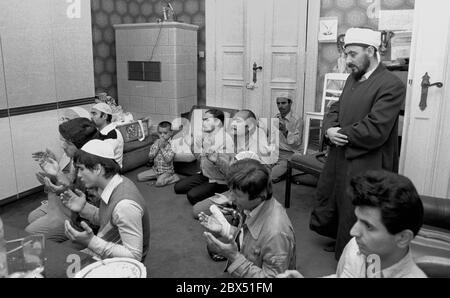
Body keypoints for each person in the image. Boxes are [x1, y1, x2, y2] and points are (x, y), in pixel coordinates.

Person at [309, 27, 406, 259]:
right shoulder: (352, 80)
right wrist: (329, 130)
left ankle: (353, 255)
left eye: (352, 54)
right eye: (346, 54)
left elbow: (376, 127)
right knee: (338, 198)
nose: (347, 60)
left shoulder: (391, 84)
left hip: (368, 158)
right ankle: (342, 242)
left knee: (358, 206)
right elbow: (335, 108)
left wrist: (340, 134)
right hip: (341, 152)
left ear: (370, 51)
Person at [279, 170, 426, 278]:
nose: (353, 232)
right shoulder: (356, 247)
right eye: (357, 219)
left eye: (369, 226)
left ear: (403, 238)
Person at [200, 159, 296, 278]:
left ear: (258, 197)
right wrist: (225, 230)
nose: (230, 198)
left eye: (237, 195)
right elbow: (251, 239)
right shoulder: (253, 206)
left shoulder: (276, 234)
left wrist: (234, 257)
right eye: (230, 190)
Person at [60, 139, 150, 261]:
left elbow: (134, 256)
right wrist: (85, 208)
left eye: (81, 169)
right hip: (107, 251)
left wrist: (90, 241)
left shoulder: (125, 205)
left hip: (119, 266)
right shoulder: (115, 182)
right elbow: (110, 220)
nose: (79, 175)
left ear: (97, 168)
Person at [26, 118, 101, 241]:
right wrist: (54, 170)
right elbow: (70, 182)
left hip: (77, 214)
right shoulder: (75, 158)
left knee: (30, 233)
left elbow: (82, 200)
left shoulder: (93, 167)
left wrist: (58, 177)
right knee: (32, 217)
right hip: (65, 203)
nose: (63, 146)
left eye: (68, 142)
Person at [192, 109, 274, 219]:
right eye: (233, 120)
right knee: (197, 209)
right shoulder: (230, 138)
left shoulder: (259, 142)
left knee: (197, 210)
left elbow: (264, 178)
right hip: (231, 182)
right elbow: (227, 170)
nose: (233, 124)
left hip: (249, 190)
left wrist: (233, 198)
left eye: (238, 121)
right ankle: (235, 208)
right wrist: (217, 160)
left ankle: (239, 209)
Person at [174, 109, 234, 205]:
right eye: (202, 120)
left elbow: (228, 171)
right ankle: (204, 186)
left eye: (206, 119)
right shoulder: (207, 137)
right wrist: (192, 145)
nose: (202, 122)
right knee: (178, 188)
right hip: (205, 175)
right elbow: (200, 158)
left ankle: (223, 193)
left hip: (219, 181)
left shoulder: (225, 140)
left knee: (192, 196)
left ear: (217, 122)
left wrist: (216, 161)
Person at [271, 94, 303, 183]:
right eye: (278, 103)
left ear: (290, 103)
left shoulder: (297, 120)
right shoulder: (275, 118)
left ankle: (284, 172)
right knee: (257, 170)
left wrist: (285, 131)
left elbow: (297, 142)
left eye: (283, 103)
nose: (280, 106)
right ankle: (282, 171)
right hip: (275, 153)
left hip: (289, 155)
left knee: (269, 177)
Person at [136, 121, 180, 187]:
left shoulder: (172, 145)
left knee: (159, 183)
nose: (162, 135)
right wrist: (157, 146)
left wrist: (162, 148)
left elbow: (168, 160)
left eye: (165, 133)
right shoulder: (156, 143)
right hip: (155, 170)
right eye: (160, 133)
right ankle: (159, 178)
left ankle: (174, 177)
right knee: (139, 177)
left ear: (171, 133)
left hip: (166, 171)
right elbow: (150, 156)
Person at [91, 102, 124, 168]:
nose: (91, 117)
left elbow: (102, 158)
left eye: (94, 114)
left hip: (110, 172)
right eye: (91, 114)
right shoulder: (100, 131)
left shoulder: (112, 135)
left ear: (104, 116)